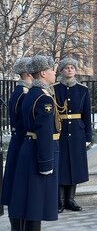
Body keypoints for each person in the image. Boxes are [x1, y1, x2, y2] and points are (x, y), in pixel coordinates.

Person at [8, 55, 59, 231]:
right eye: (52, 70)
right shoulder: (43, 98)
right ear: (43, 73)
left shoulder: (31, 93)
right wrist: (46, 162)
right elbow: (44, 132)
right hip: (38, 151)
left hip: (29, 147)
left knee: (30, 201)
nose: (54, 73)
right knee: (35, 203)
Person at [52, 57, 92, 213]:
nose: (69, 69)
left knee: (74, 164)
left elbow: (86, 114)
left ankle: (70, 199)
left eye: (72, 67)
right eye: (66, 67)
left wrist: (87, 136)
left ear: (76, 70)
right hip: (60, 131)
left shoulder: (83, 90)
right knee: (61, 164)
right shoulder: (53, 89)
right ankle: (59, 200)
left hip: (77, 132)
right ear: (61, 70)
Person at [1, 57, 32, 230]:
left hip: (18, 143)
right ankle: (17, 225)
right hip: (21, 143)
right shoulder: (23, 93)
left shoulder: (20, 91)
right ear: (28, 73)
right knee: (18, 186)